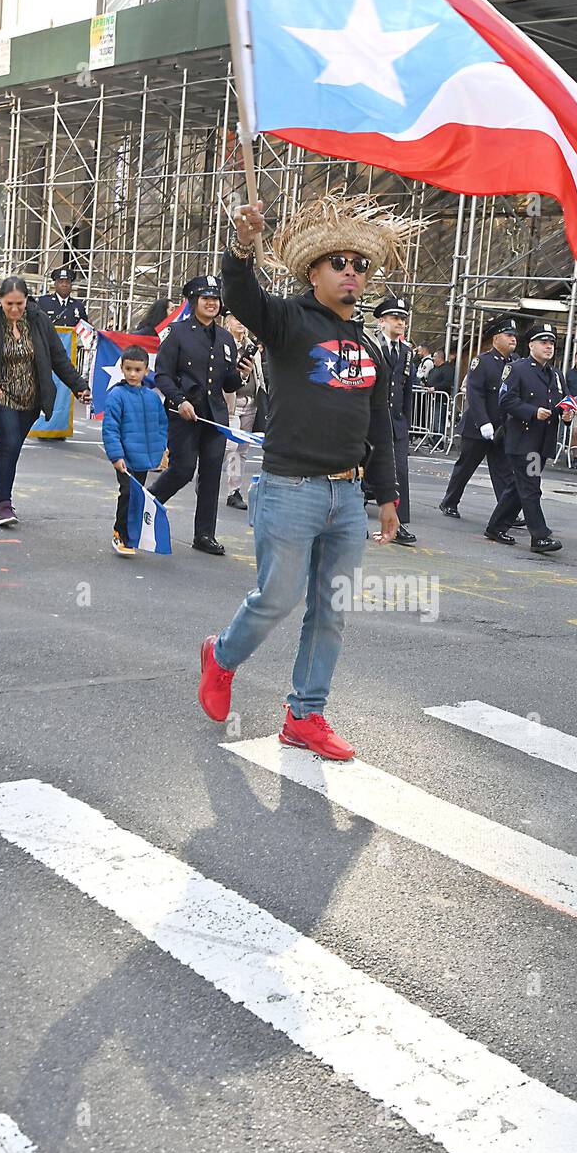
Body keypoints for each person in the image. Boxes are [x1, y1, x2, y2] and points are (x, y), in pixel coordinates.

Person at [198, 189, 406, 761]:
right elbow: (242, 294)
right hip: (290, 489)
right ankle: (221, 656)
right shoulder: (287, 321)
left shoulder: (370, 345)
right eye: (338, 263)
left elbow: (380, 425)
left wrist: (386, 498)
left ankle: (305, 715)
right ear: (313, 273)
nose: (351, 273)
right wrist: (243, 245)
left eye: (360, 265)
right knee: (277, 597)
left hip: (348, 496)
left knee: (332, 611)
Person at [149, 274, 243, 556]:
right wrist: (179, 401)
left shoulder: (226, 339)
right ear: (193, 302)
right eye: (206, 299)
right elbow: (161, 375)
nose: (212, 303)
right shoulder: (177, 333)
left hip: (214, 418)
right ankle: (145, 504)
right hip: (185, 415)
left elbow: (228, 382)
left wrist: (241, 374)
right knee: (182, 469)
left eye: (215, 299)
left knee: (212, 474)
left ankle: (204, 534)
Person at [0, 277, 91, 526]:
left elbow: (58, 357)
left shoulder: (38, 320)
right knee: (9, 443)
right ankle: (3, 504)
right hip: (0, 397)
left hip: (31, 400)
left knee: (12, 449)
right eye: (8, 303)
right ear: (0, 300)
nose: (14, 309)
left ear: (27, 300)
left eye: (19, 303)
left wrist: (79, 387)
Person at [482, 320, 573, 552]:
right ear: (531, 345)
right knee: (531, 487)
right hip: (523, 441)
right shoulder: (518, 369)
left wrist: (566, 414)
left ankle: (496, 526)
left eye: (552, 343)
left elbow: (563, 402)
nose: (549, 347)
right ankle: (539, 535)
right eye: (544, 342)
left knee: (517, 486)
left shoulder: (556, 375)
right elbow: (506, 400)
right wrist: (533, 412)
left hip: (543, 442)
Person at [438, 315, 519, 518]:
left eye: (514, 336)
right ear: (496, 339)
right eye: (508, 335)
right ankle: (450, 502)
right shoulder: (481, 362)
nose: (513, 339)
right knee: (466, 467)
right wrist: (483, 422)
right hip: (478, 427)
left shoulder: (516, 363)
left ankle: (506, 512)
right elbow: (475, 394)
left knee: (503, 471)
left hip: (502, 428)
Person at [100, 344, 168, 557]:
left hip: (144, 458)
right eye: (128, 369)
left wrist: (161, 452)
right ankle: (120, 533)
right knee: (127, 493)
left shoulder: (152, 397)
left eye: (137, 370)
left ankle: (132, 533)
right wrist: (116, 455)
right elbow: (110, 428)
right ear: (121, 368)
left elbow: (161, 425)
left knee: (136, 495)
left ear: (146, 371)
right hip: (126, 457)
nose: (132, 374)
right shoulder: (116, 395)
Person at [373, 293, 416, 545]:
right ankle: (354, 520)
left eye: (403, 319)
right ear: (381, 321)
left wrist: (405, 421)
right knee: (363, 468)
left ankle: (399, 523)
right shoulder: (371, 345)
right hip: (372, 419)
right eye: (394, 318)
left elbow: (406, 389)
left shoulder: (407, 352)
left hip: (396, 421)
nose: (400, 323)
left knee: (400, 470)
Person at [223, 315, 261, 511]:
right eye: (235, 318)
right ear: (227, 321)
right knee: (230, 447)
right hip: (231, 402)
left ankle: (234, 490)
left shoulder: (252, 346)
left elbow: (259, 373)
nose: (240, 322)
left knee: (242, 450)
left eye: (242, 318)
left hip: (251, 403)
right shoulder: (224, 343)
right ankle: (207, 477)